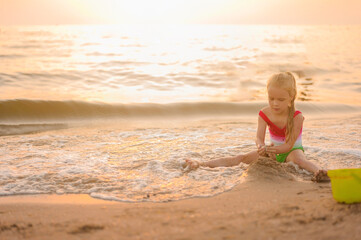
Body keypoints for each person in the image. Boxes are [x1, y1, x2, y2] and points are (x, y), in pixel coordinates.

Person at [183, 72, 329, 182]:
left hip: (291, 151)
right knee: (241, 157)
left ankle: (320, 172)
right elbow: (259, 137)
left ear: (291, 98)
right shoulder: (264, 113)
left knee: (300, 161)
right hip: (272, 150)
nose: (275, 103)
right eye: (271, 98)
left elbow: (289, 144)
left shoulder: (296, 117)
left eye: (280, 99)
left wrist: (273, 150)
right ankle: (202, 163)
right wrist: (261, 146)